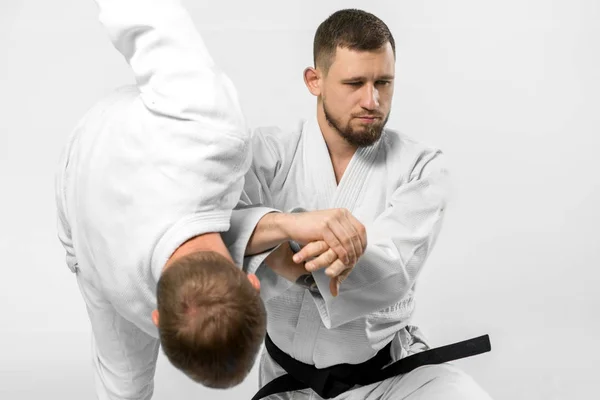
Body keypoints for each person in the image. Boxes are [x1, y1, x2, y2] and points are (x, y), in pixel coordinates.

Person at [224, 8, 494, 400]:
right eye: (355, 83)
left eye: (383, 82)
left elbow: (390, 267)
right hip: (288, 384)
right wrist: (291, 225)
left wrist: (275, 252)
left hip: (392, 378)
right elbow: (216, 224)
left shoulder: (422, 167)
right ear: (314, 81)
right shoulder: (268, 155)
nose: (373, 100)